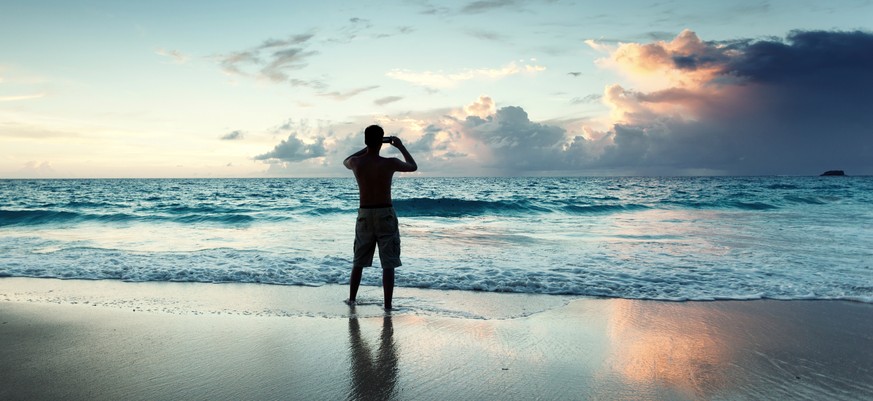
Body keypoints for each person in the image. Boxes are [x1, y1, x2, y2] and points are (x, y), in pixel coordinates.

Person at [343, 125, 417, 309]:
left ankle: (352, 299)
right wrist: (399, 146)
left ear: (366, 141)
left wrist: (370, 147)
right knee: (388, 264)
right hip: (385, 214)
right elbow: (413, 166)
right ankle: (388, 305)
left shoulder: (357, 163)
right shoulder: (389, 163)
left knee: (358, 261)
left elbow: (346, 160)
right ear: (381, 141)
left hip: (365, 214)